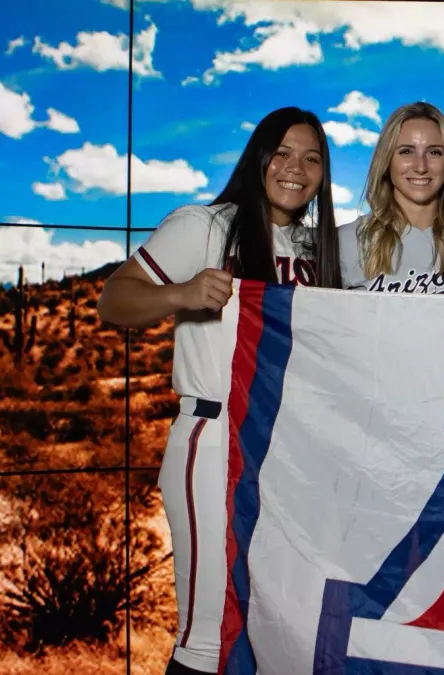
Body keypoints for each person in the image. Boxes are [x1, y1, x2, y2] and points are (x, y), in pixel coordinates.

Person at [96, 107, 341, 675]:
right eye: (281, 153)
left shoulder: (317, 248)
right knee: (209, 630)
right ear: (258, 157)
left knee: (281, 628)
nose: (295, 168)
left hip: (294, 448)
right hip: (215, 438)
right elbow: (114, 299)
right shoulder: (205, 226)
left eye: (312, 158)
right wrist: (181, 292)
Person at [339, 102, 444, 293]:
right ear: (386, 160)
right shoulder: (345, 241)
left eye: (434, 152)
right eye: (406, 151)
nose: (420, 167)